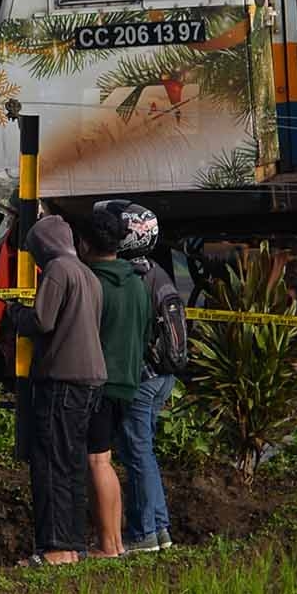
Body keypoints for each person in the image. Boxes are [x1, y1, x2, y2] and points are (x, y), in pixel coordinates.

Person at [6, 212, 104, 564]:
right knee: (72, 462)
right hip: (89, 382)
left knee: (49, 462)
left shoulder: (58, 271)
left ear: (43, 246)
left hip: (62, 380)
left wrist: (15, 314)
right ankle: (74, 544)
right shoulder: (88, 275)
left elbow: (42, 320)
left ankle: (54, 548)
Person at [99, 199, 181, 553]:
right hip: (165, 375)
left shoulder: (133, 276)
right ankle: (160, 529)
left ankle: (144, 533)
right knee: (145, 450)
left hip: (143, 377)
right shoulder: (159, 272)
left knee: (137, 453)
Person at [81, 208, 147, 559]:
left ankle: (108, 545)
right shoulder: (136, 281)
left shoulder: (93, 283)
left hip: (100, 383)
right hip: (129, 382)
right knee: (106, 460)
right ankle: (114, 542)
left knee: (97, 462)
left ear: (84, 243)